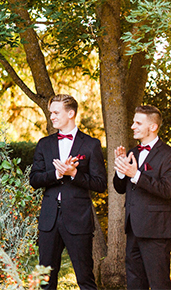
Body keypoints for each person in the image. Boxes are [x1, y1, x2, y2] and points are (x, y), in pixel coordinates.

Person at [29, 94, 106, 290]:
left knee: (85, 279)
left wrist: (74, 173)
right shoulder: (44, 144)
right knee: (44, 280)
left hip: (78, 219)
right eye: (51, 113)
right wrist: (55, 173)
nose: (52, 116)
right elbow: (34, 179)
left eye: (56, 112)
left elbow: (100, 184)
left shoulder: (91, 144)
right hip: (49, 220)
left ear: (70, 113)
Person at [113, 105, 171, 290]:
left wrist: (136, 175)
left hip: (156, 231)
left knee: (159, 284)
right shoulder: (132, 153)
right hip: (133, 228)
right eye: (134, 122)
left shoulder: (170, 155)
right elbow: (120, 189)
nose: (133, 126)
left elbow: (166, 190)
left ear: (153, 127)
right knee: (135, 283)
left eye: (138, 123)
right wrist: (121, 170)